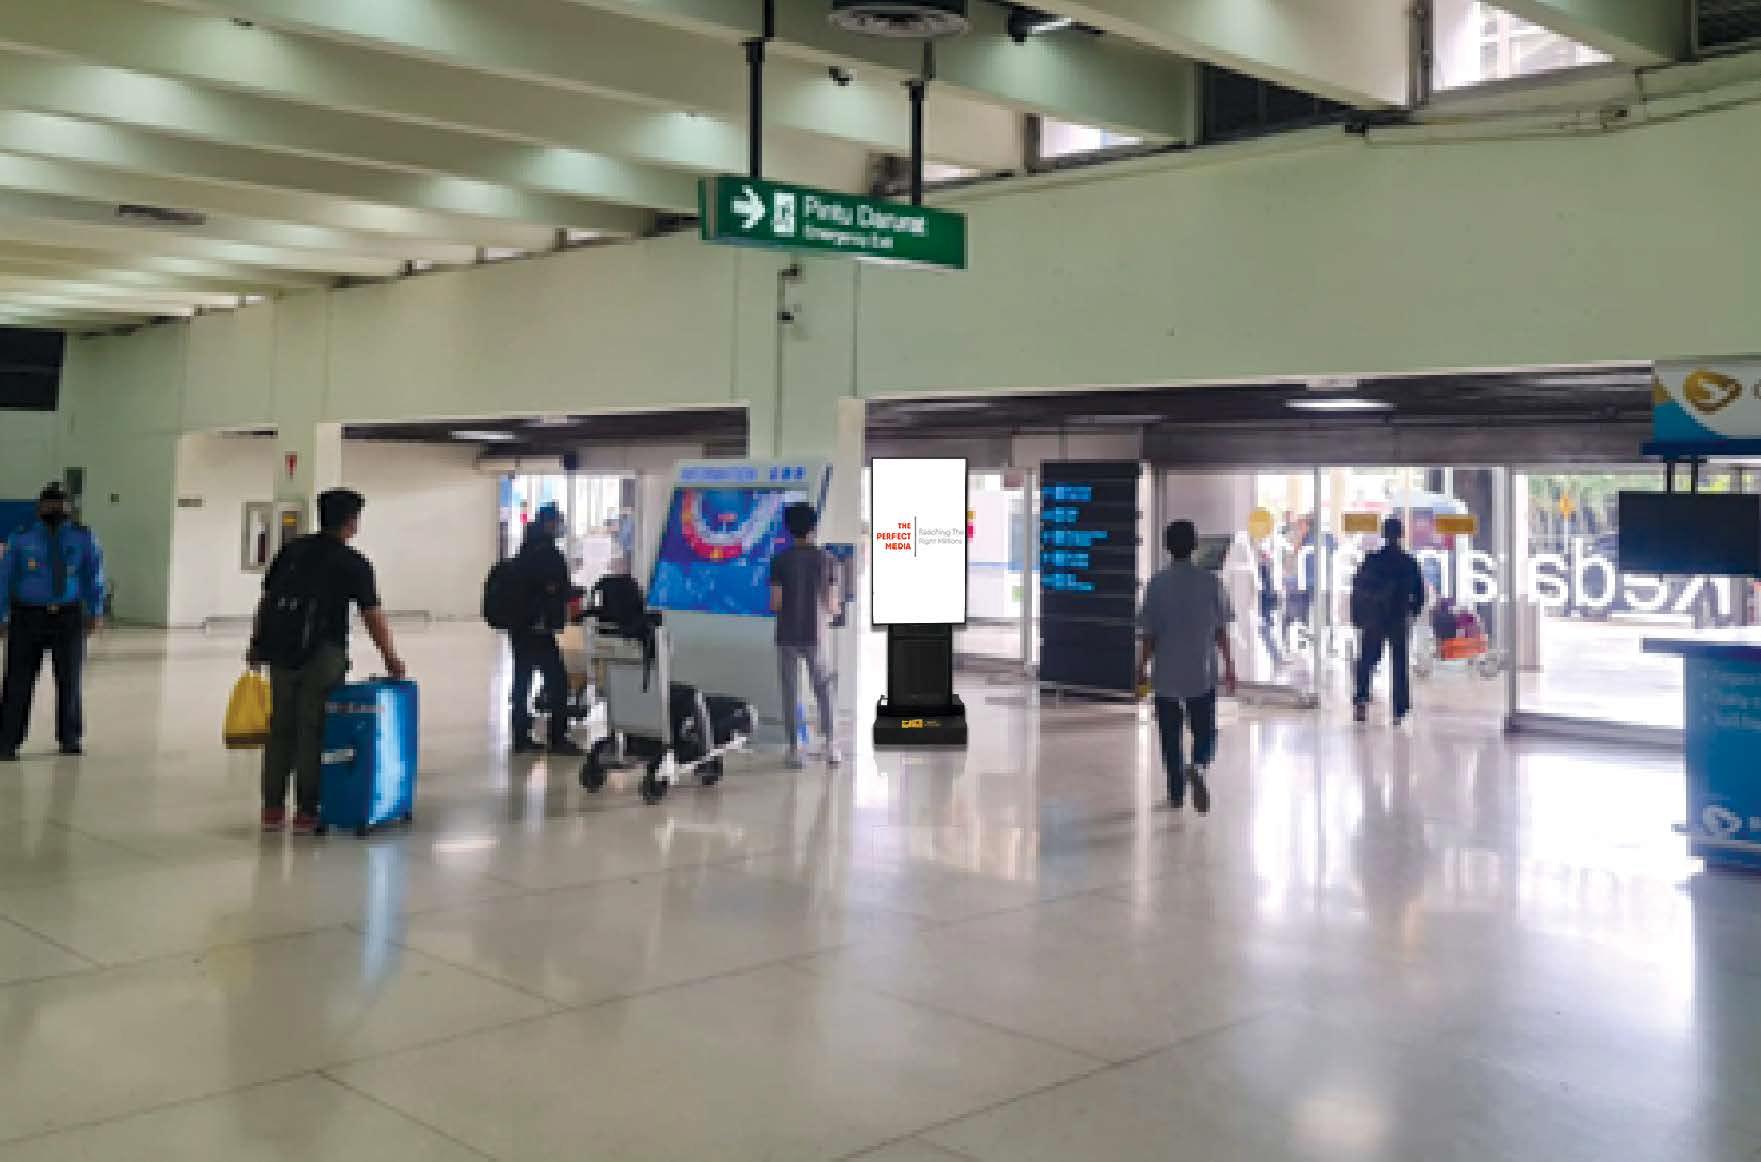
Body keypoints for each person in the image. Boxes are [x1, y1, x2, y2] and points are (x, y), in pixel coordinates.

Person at [251, 488, 406, 833]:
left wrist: (257, 643)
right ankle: (307, 811)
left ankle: (272, 809)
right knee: (313, 728)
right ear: (351, 522)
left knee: (281, 728)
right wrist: (390, 657)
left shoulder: (291, 551)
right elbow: (372, 616)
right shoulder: (353, 563)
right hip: (323, 654)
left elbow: (266, 601)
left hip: (281, 651)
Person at [1137, 520, 1237, 813]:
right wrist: (1229, 665)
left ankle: (1177, 792)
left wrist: (1141, 667)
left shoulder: (1156, 585)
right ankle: (1200, 764)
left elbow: (1149, 634)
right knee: (1205, 731)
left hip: (1166, 674)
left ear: (1167, 546)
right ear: (1195, 545)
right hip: (1201, 671)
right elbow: (1221, 630)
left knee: (1170, 737)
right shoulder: (1211, 583)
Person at [0, 484, 106, 761]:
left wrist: (96, 611)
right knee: (17, 681)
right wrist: (2, 615)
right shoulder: (21, 538)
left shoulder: (84, 538)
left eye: (60, 503)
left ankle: (70, 738)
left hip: (68, 617)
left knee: (70, 680)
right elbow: (5, 578)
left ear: (69, 507)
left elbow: (93, 575)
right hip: (27, 617)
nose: (55, 509)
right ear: (39, 507)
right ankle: (7, 741)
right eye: (49, 503)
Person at [508, 503, 584, 757]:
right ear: (549, 524)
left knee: (522, 681)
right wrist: (571, 593)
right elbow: (556, 587)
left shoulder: (525, 549)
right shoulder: (548, 554)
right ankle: (558, 738)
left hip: (519, 626)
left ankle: (520, 737)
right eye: (558, 522)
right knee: (558, 682)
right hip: (538, 629)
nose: (560, 527)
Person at [768, 502, 838, 771]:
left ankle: (794, 749)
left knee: (790, 690)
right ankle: (830, 745)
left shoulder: (780, 561)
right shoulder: (827, 560)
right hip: (815, 633)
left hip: (786, 633)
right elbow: (831, 604)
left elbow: (775, 603)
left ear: (789, 529)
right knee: (823, 687)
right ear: (813, 526)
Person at [1351, 516, 1426, 726]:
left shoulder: (1372, 560)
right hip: (1398, 617)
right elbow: (1419, 594)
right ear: (1401, 534)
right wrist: (1412, 612)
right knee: (1399, 663)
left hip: (1374, 617)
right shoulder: (1408, 562)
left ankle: (1361, 698)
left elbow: (1359, 587)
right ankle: (1399, 709)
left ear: (1383, 534)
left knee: (1367, 659)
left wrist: (1359, 615)